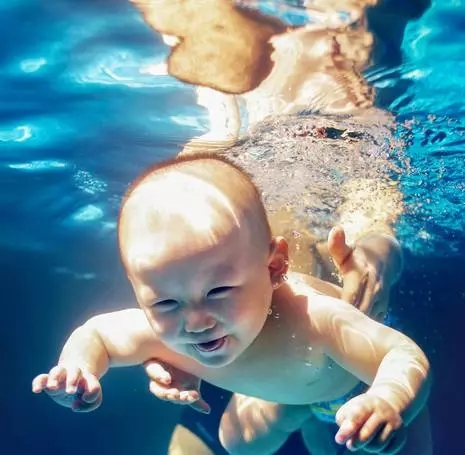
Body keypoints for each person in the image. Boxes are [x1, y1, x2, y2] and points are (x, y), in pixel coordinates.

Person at [32, 153, 432, 454]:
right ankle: (303, 412)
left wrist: (388, 399)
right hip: (288, 393)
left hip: (357, 389)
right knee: (237, 443)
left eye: (218, 292)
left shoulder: (315, 319)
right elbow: (97, 333)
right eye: (165, 302)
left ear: (274, 267)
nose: (196, 321)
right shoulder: (161, 329)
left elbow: (401, 353)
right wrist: (79, 368)